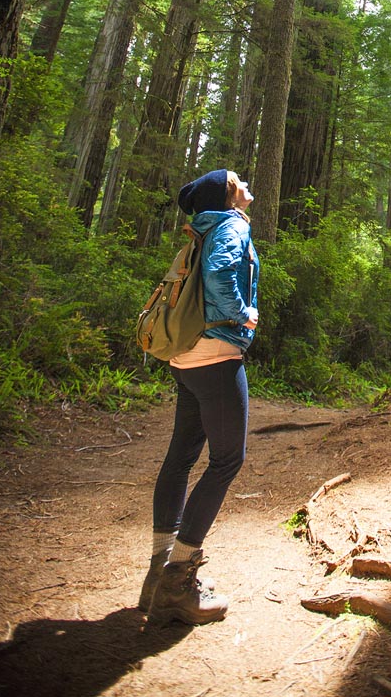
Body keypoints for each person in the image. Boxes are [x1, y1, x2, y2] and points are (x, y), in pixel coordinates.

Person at [140, 168, 259, 626]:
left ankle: (158, 571)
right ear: (228, 193)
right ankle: (178, 582)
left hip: (185, 357)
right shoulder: (230, 224)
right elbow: (219, 274)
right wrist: (243, 315)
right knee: (227, 460)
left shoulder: (203, 228)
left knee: (181, 457)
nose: (247, 182)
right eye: (238, 179)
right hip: (215, 353)